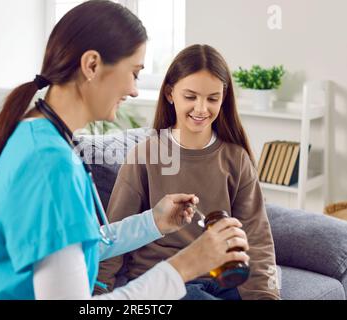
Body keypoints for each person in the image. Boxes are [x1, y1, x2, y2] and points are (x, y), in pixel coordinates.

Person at [0, 1, 249, 300]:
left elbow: (79, 247)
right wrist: (185, 266)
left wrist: (153, 221)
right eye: (134, 73)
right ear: (92, 65)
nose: (134, 90)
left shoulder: (30, 135)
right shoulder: (50, 165)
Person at [96, 44, 280, 300]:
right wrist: (98, 293)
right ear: (171, 94)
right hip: (168, 279)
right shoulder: (145, 155)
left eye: (212, 98)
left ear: (224, 98)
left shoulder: (236, 158)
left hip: (225, 280)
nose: (202, 109)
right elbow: (115, 233)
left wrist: (266, 295)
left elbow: (258, 238)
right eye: (191, 97)